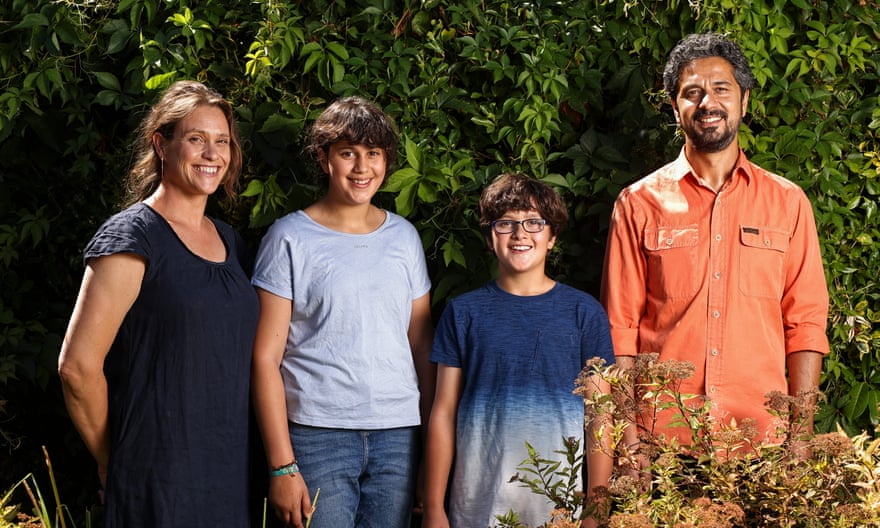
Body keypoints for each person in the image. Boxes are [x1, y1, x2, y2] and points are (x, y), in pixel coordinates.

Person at [601, 32, 830, 451]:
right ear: (675, 108)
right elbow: (620, 331)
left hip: (763, 442)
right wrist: (630, 441)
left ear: (744, 100)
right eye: (692, 92)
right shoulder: (638, 204)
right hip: (664, 445)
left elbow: (806, 326)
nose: (707, 102)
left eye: (721, 88)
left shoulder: (788, 203)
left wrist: (801, 435)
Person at [57, 80, 259, 526]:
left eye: (221, 141)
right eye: (195, 139)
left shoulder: (229, 241)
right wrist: (115, 458)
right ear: (160, 144)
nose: (212, 154)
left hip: (225, 474)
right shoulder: (133, 237)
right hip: (156, 478)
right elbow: (77, 369)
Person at [250, 96, 434, 528]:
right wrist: (281, 466)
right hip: (317, 436)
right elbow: (264, 359)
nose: (361, 167)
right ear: (324, 157)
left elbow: (421, 345)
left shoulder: (405, 238)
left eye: (374, 154)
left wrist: (430, 449)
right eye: (348, 152)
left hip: (398, 436)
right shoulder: (289, 238)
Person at [422, 173, 615, 528]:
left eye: (534, 222)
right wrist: (434, 505)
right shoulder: (463, 312)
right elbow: (443, 412)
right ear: (489, 237)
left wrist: (595, 507)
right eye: (506, 223)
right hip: (478, 505)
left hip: (559, 510)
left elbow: (600, 417)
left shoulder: (584, 313)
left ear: (552, 237)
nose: (520, 233)